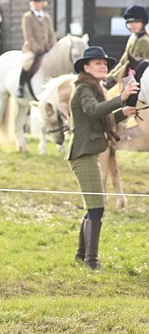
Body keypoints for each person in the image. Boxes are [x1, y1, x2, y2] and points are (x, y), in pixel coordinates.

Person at [67, 46, 138, 269]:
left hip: (89, 153)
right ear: (86, 68)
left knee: (93, 206)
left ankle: (82, 255)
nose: (103, 66)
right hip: (83, 154)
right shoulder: (83, 89)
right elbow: (93, 110)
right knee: (97, 206)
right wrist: (121, 98)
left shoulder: (94, 88)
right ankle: (91, 261)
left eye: (104, 63)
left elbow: (100, 117)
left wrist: (122, 112)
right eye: (97, 63)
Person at [105, 5, 149, 107]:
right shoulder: (133, 37)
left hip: (136, 78)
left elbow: (131, 65)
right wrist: (110, 75)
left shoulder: (143, 41)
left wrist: (114, 78)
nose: (133, 25)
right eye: (129, 22)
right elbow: (123, 60)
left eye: (136, 22)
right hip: (128, 74)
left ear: (144, 23)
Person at [16, 0, 56, 98]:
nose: (38, 4)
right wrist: (38, 48)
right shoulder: (27, 17)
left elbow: (52, 34)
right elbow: (29, 36)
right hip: (32, 49)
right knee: (27, 63)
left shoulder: (47, 17)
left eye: (39, 2)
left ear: (43, 3)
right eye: (36, 2)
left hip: (47, 49)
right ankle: (20, 86)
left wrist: (51, 46)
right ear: (32, 3)